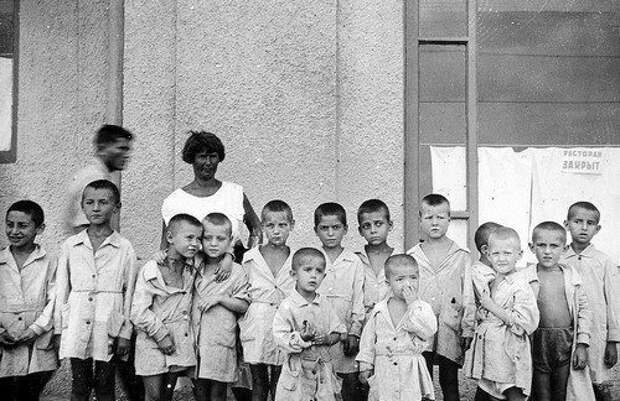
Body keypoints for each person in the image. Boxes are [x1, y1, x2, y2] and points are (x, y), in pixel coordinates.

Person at [55, 179, 138, 401]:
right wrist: (59, 329)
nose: (96, 208)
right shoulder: (71, 245)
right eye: (90, 202)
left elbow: (130, 293)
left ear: (116, 207)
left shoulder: (124, 247)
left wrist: (125, 333)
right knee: (79, 384)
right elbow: (61, 291)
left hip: (108, 323)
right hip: (77, 320)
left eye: (103, 202)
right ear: (82, 206)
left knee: (105, 385)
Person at [406, 194, 475, 401]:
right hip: (421, 327)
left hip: (450, 325)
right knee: (422, 380)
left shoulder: (461, 255)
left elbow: (468, 294)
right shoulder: (413, 255)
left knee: (449, 381)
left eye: (440, 217)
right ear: (420, 219)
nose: (435, 223)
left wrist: (468, 327)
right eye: (429, 217)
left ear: (449, 219)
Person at [160, 130, 262, 265]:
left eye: (213, 156)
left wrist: (249, 261)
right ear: (192, 159)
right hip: (189, 273)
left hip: (231, 269)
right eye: (202, 156)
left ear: (219, 158)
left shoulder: (234, 193)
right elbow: (165, 247)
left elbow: (257, 230)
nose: (208, 162)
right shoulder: (174, 201)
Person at [131, 214, 203, 401]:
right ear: (170, 237)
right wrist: (161, 335)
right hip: (152, 339)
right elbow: (138, 311)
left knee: (166, 394)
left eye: (198, 239)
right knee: (154, 395)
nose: (195, 244)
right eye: (189, 237)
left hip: (179, 339)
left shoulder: (192, 267)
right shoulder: (152, 268)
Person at [465, 227, 539, 401]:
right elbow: (487, 311)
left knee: (512, 392)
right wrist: (481, 314)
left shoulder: (520, 284)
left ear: (519, 255)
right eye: (496, 253)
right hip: (490, 351)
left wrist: (491, 307)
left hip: (509, 352)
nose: (501, 258)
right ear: (488, 255)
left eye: (507, 253)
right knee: (486, 391)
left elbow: (525, 323)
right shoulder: (491, 281)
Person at [527, 221, 595, 401]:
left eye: (554, 246)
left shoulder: (571, 276)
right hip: (538, 340)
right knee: (541, 393)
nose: (547, 251)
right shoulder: (525, 277)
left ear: (564, 249)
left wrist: (582, 344)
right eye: (541, 245)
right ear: (532, 247)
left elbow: (584, 310)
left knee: (561, 392)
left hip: (566, 340)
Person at [356, 254, 437, 401]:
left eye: (413, 278)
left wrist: (413, 305)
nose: (408, 284)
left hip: (410, 369)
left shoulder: (422, 307)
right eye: (400, 280)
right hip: (384, 369)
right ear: (388, 283)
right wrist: (365, 364)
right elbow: (368, 339)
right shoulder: (379, 309)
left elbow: (428, 330)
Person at [0, 200, 58, 400]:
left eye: (22, 226)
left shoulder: (49, 262)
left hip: (37, 344)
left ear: (39, 228)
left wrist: (36, 329)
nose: (14, 231)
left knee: (29, 394)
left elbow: (55, 300)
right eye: (10, 224)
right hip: (4, 343)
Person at [562, 202, 619, 401]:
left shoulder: (603, 261)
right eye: (578, 221)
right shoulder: (560, 258)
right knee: (570, 383)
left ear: (597, 228)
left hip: (596, 333)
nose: (584, 227)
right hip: (567, 333)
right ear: (567, 224)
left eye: (590, 223)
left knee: (597, 383)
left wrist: (612, 341)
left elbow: (614, 303)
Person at [272, 248, 346, 401]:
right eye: (307, 270)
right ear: (294, 275)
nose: (313, 275)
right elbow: (280, 338)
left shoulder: (324, 304)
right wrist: (301, 338)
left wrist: (328, 339)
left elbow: (338, 332)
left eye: (319, 271)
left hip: (322, 372)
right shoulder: (287, 306)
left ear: (324, 276)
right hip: (297, 373)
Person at [240, 200, 296, 401]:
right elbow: (243, 290)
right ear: (263, 226)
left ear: (292, 225)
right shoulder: (250, 258)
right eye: (270, 226)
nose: (276, 231)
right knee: (259, 381)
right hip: (258, 322)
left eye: (282, 225)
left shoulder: (296, 258)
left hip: (286, 322)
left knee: (281, 380)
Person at [192, 213, 250, 401]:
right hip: (195, 340)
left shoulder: (236, 271)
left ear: (230, 241)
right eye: (208, 238)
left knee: (218, 394)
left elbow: (243, 305)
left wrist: (220, 298)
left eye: (220, 239)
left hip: (220, 341)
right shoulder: (194, 264)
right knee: (199, 392)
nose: (213, 244)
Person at [313, 202, 365, 401]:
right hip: (319, 335)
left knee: (348, 384)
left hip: (345, 335)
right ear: (316, 231)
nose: (330, 233)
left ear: (346, 229)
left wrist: (354, 332)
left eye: (336, 227)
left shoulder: (354, 261)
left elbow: (358, 299)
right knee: (320, 384)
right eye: (324, 228)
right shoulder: (312, 259)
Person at [63, 124, 134, 235]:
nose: (126, 155)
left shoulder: (94, 174)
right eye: (121, 148)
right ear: (102, 149)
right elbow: (84, 227)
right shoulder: (95, 179)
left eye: (127, 150)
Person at [355, 199, 394, 318]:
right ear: (360, 231)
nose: (373, 230)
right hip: (361, 325)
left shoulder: (400, 259)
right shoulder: (355, 260)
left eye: (378, 224)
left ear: (390, 225)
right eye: (366, 226)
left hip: (391, 323)